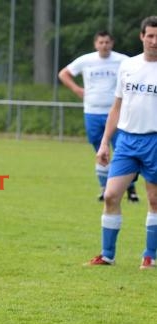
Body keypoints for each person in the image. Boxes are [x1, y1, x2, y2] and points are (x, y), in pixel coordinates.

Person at [87, 16, 157, 269]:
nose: (154, 41)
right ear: (142, 37)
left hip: (155, 141)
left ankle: (150, 256)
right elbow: (117, 107)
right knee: (111, 195)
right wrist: (105, 142)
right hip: (126, 141)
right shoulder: (128, 65)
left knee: (154, 200)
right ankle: (107, 255)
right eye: (150, 35)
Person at [58, 31, 139, 202]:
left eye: (107, 42)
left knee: (121, 151)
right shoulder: (86, 60)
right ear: (96, 44)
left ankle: (130, 189)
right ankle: (104, 188)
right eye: (101, 42)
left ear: (112, 43)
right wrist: (77, 89)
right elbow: (63, 74)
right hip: (92, 112)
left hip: (117, 112)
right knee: (100, 151)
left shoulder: (123, 60)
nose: (104, 45)